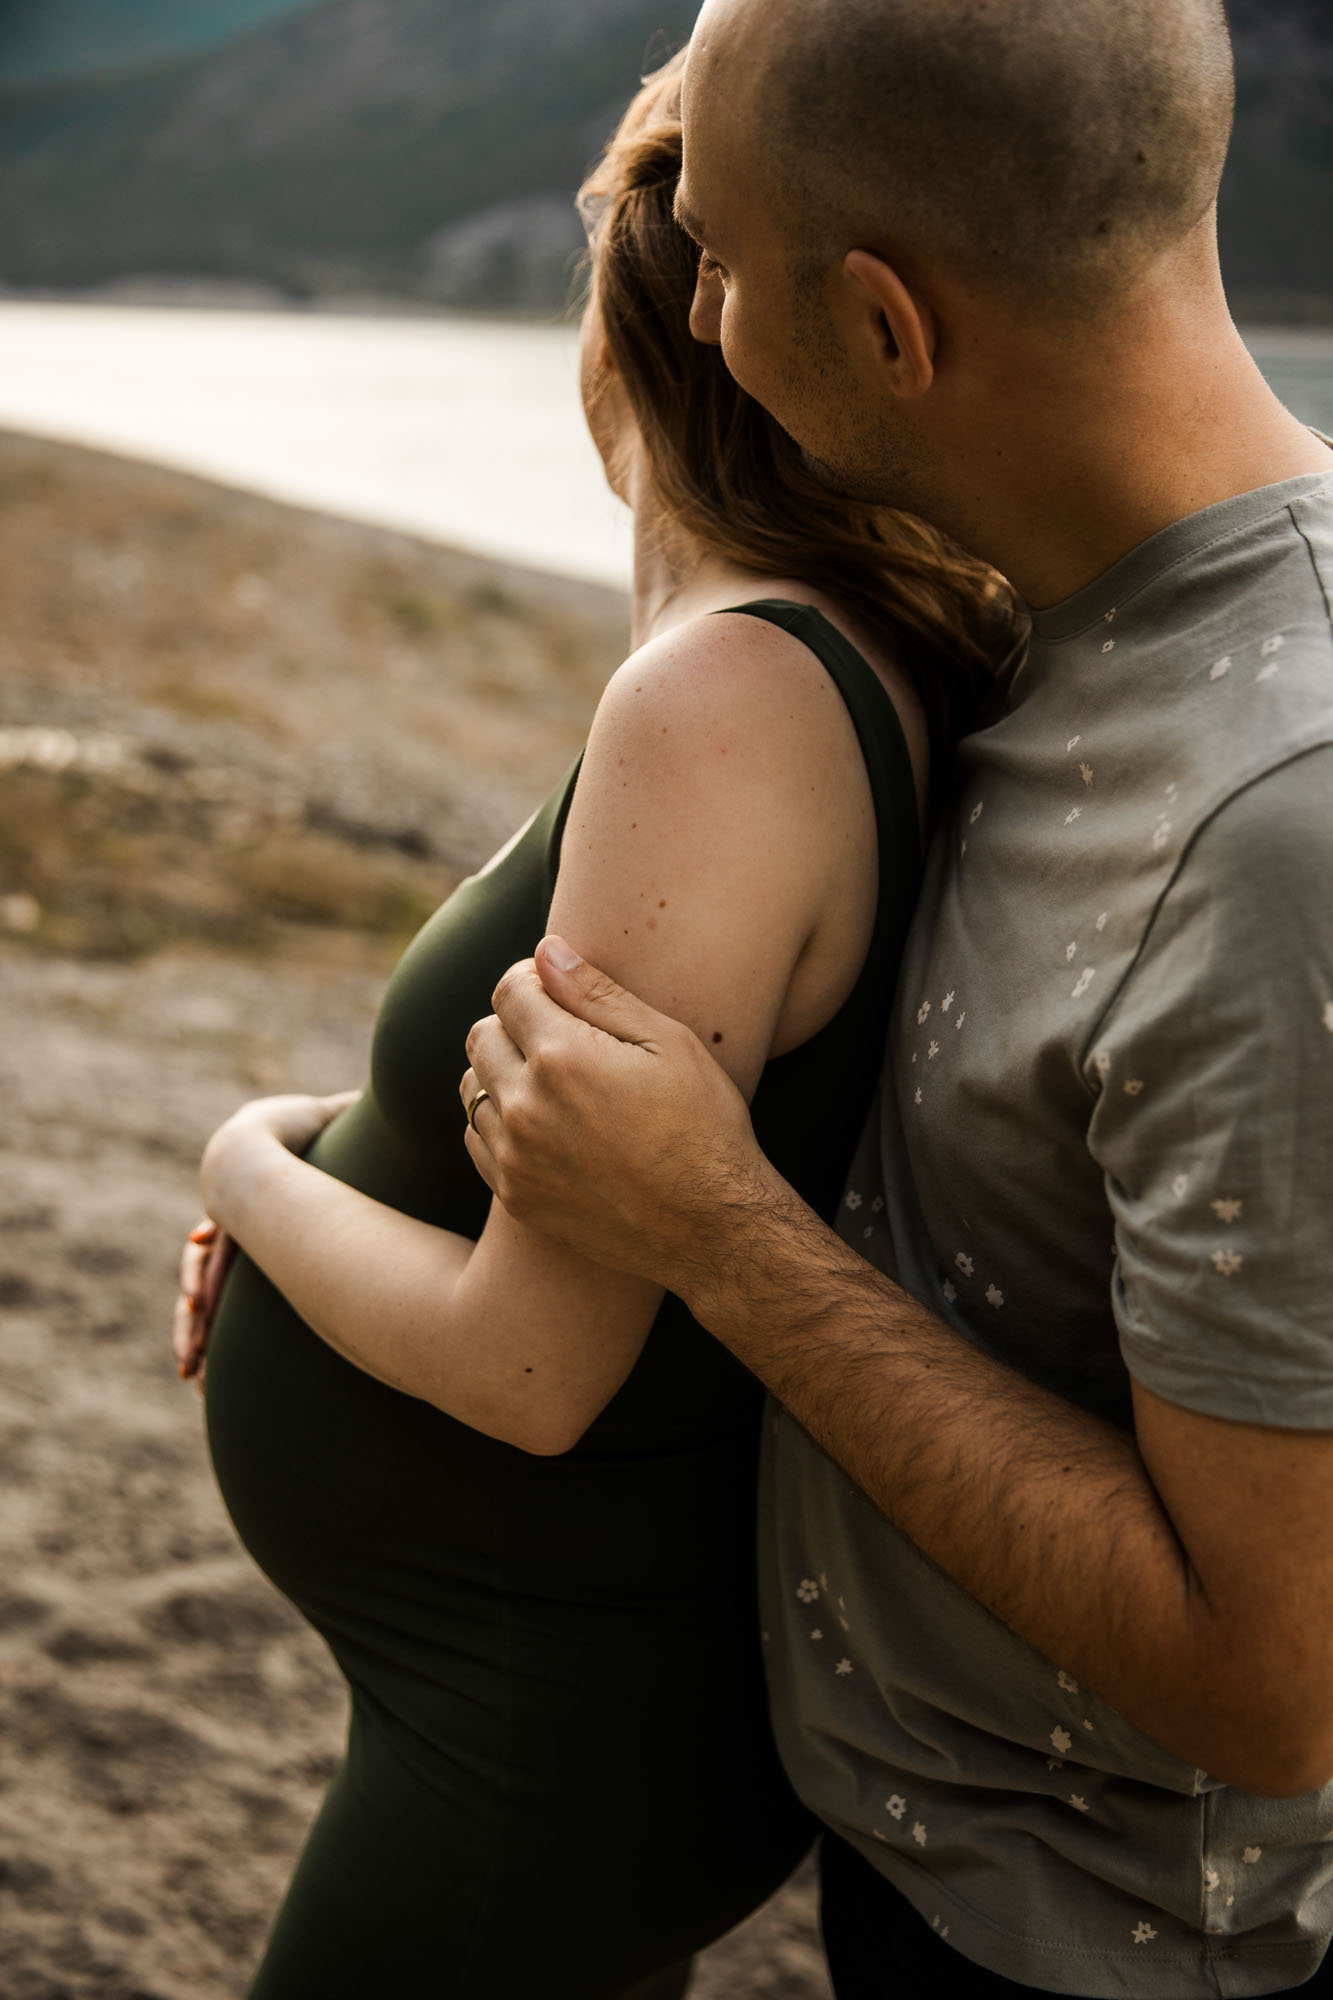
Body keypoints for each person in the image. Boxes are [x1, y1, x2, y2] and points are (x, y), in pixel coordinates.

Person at [459, 3, 1333, 1996]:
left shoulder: (1277, 824)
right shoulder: (1075, 616)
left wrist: (713, 1231)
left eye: (720, 265)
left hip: (1101, 1951)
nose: (702, 320)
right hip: (939, 1867)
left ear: (879, 324)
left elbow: (1272, 1685)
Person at [172, 50, 1019, 2000]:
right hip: (551, 1675)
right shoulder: (807, 658)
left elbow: (534, 1364)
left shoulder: (724, 702)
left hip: (536, 1716)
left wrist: (247, 1159)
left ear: (622, 344)